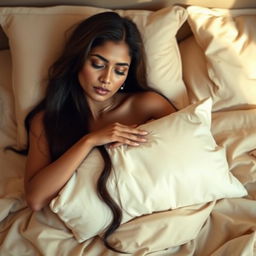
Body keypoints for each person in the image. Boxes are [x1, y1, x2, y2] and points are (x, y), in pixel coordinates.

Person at [13, 12, 176, 251]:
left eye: (120, 70)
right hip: (87, 228)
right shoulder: (48, 120)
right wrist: (90, 141)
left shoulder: (148, 105)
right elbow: (36, 199)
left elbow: (192, 147)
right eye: (98, 64)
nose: (106, 79)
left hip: (154, 219)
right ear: (78, 60)